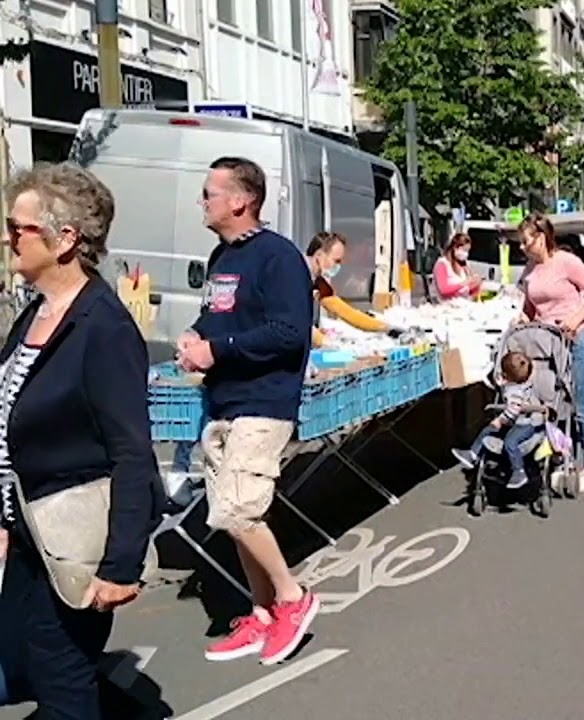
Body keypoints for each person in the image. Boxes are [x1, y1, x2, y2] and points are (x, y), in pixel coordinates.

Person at [0, 163, 161, 717]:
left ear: (64, 239)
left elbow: (133, 454)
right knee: (19, 666)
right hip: (27, 536)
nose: (7, 237)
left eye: (17, 227)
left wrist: (121, 567)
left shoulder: (104, 328)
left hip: (74, 542)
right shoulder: (36, 314)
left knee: (60, 682)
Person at [176, 157, 317, 666]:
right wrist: (196, 336)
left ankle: (292, 598)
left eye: (211, 192)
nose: (204, 201)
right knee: (234, 513)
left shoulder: (278, 258)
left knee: (237, 510)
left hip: (265, 401)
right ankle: (260, 615)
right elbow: (217, 314)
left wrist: (220, 350)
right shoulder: (221, 257)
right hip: (224, 401)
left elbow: (288, 334)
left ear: (240, 200)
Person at [517, 213, 584, 492]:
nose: (522, 247)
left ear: (541, 238)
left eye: (525, 241)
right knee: (552, 403)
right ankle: (559, 455)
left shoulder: (566, 262)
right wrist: (521, 318)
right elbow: (530, 306)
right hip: (546, 342)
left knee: (582, 401)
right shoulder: (530, 269)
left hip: (575, 337)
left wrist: (576, 319)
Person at [451, 351, 543, 489]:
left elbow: (513, 410)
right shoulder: (519, 384)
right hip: (514, 422)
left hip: (524, 424)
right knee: (487, 430)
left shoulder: (515, 393)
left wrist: (500, 420)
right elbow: (508, 387)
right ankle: (472, 454)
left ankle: (519, 471)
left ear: (507, 376)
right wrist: (502, 383)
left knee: (509, 443)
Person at [305, 232, 401, 346]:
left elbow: (346, 312)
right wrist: (324, 341)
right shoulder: (296, 276)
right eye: (336, 261)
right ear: (319, 256)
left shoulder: (319, 283)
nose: (338, 266)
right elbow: (296, 321)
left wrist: (386, 328)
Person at [433, 232, 483, 302]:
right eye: (464, 250)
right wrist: (464, 283)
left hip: (464, 304)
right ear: (455, 248)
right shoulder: (442, 263)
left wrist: (476, 284)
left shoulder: (465, 265)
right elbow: (443, 290)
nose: (466, 254)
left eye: (468, 251)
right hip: (446, 306)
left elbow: (469, 291)